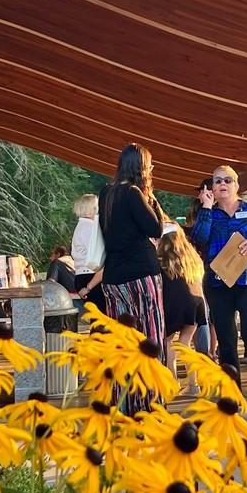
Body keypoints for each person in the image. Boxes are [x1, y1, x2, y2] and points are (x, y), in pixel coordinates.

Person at [97, 144, 168, 402]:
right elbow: (156, 229)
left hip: (114, 277)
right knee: (150, 338)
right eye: (149, 165)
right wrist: (155, 202)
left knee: (122, 341)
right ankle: (150, 402)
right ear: (141, 167)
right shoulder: (133, 193)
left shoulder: (107, 193)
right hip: (141, 274)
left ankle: (124, 401)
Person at [189, 164, 247, 391]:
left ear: (236, 185)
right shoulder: (207, 212)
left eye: (227, 180)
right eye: (218, 181)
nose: (222, 184)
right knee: (226, 339)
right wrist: (207, 208)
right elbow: (199, 239)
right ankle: (232, 395)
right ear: (211, 187)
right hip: (218, 283)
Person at [156, 228, 206, 362]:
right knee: (186, 342)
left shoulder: (162, 259)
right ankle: (193, 382)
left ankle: (173, 381)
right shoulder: (192, 258)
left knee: (168, 341)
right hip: (196, 302)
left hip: (175, 303)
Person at [69, 194, 105, 297]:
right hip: (91, 278)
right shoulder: (88, 228)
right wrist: (89, 287)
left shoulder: (83, 227)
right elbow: (99, 260)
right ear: (92, 209)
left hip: (86, 276)